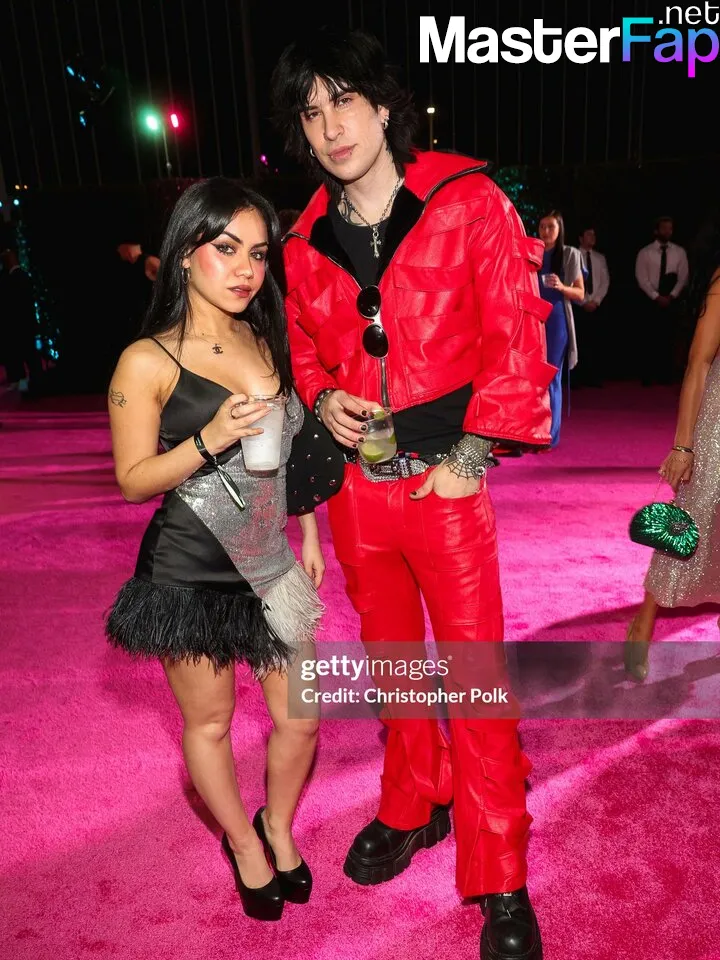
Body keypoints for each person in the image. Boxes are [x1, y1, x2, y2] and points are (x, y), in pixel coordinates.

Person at [271, 27, 556, 960]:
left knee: (474, 680)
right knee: (393, 664)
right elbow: (302, 349)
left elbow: (517, 334)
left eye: (344, 101)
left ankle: (500, 872)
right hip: (358, 490)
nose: (331, 127)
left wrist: (472, 455)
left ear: (385, 105)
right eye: (311, 112)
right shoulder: (302, 240)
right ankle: (413, 803)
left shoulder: (468, 199)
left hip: (448, 483)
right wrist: (323, 397)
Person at [104, 178, 335, 921]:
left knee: (301, 717)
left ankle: (278, 824)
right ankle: (243, 843)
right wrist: (208, 438)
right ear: (183, 253)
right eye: (226, 249)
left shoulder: (262, 336)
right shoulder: (146, 360)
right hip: (189, 571)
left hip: (271, 561)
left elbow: (287, 453)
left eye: (259, 254)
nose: (245, 270)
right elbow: (133, 481)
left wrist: (307, 529)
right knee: (210, 724)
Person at [625, 217, 720, 681]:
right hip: (718, 420)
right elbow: (699, 363)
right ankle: (643, 623)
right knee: (693, 517)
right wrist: (684, 445)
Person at [537, 211, 584, 447]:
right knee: (533, 377)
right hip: (533, 320)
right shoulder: (532, 252)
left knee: (552, 377)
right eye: (542, 226)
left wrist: (562, 286)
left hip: (557, 321)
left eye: (551, 227)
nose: (546, 231)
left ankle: (550, 435)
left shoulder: (570, 254)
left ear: (559, 229)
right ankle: (532, 431)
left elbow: (581, 294)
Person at [635, 216, 689, 386]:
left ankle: (665, 374)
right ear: (656, 230)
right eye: (664, 228)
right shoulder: (645, 252)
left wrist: (671, 295)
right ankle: (648, 374)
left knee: (669, 337)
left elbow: (683, 277)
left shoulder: (679, 252)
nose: (667, 231)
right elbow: (641, 278)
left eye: (670, 228)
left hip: (672, 300)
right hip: (650, 300)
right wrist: (656, 296)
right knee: (649, 337)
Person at [0, 247, 42, 394]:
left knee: (26, 352)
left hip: (21, 323)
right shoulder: (15, 277)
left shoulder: (18, 277)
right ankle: (25, 379)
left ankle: (31, 379)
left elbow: (21, 303)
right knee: (22, 352)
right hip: (20, 323)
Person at [572, 226, 610, 388]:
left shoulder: (600, 258)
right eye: (588, 235)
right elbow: (569, 280)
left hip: (596, 306)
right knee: (579, 342)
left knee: (595, 341)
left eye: (594, 235)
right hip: (578, 305)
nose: (592, 238)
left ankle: (594, 376)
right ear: (581, 238)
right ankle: (578, 378)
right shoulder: (572, 256)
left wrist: (596, 301)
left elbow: (605, 281)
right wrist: (583, 301)